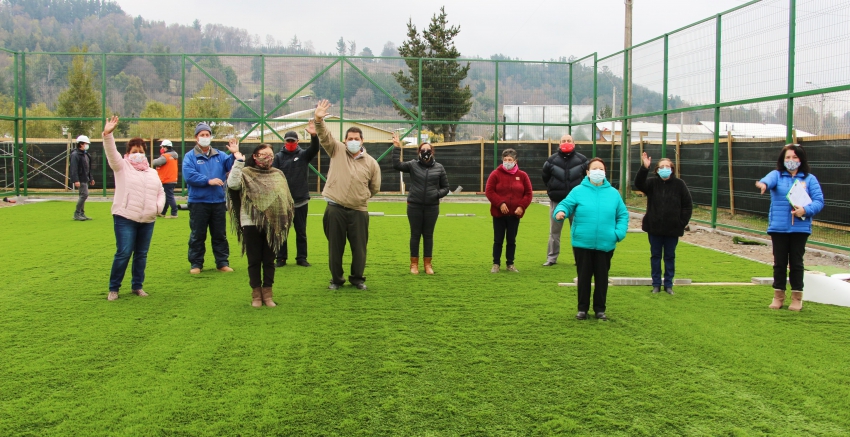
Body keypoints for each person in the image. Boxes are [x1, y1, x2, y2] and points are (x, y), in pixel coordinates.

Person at [313, 99, 382, 290]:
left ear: (362, 141)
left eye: (356, 138)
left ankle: (357, 279)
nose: (353, 141)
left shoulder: (371, 163)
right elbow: (324, 136)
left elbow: (375, 187)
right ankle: (336, 280)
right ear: (344, 140)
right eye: (350, 138)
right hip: (335, 209)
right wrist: (318, 120)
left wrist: (359, 197)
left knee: (359, 248)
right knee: (335, 247)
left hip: (359, 211)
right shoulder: (336, 150)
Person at [554, 157, 628, 321]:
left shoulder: (613, 194)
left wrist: (618, 234)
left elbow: (622, 215)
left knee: (602, 278)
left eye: (601, 169)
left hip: (606, 243)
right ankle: (582, 309)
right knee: (584, 277)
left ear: (605, 172)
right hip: (582, 242)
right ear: (588, 172)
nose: (598, 172)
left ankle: (600, 310)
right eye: (594, 169)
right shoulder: (578, 191)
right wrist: (560, 212)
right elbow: (565, 204)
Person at [102, 116, 165, 301]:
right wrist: (107, 134)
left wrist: (157, 207)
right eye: (134, 151)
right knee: (124, 252)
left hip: (148, 219)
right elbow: (111, 153)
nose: (138, 154)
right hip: (125, 217)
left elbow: (160, 192)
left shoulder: (152, 172)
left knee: (141, 255)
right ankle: (114, 288)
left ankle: (137, 286)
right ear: (128, 153)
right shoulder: (122, 167)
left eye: (141, 151)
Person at [756, 144, 824, 312]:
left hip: (800, 228)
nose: (791, 160)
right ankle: (778, 296)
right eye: (788, 157)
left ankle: (796, 297)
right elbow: (767, 180)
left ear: (801, 159)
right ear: (783, 159)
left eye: (794, 157)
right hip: (778, 228)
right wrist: (763, 185)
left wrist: (805, 210)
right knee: (779, 263)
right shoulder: (777, 175)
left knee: (796, 263)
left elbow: (819, 201)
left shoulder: (810, 179)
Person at [227, 142, 294, 308]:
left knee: (269, 260)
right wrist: (238, 161)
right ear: (255, 156)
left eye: (270, 155)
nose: (267, 157)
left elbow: (285, 197)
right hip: (251, 222)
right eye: (264, 154)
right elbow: (232, 184)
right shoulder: (245, 172)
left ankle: (268, 294)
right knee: (254, 260)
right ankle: (256, 295)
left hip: (272, 224)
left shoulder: (278, 174)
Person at [182, 122, 238, 274]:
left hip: (218, 201)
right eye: (202, 135)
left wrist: (234, 154)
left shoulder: (220, 155)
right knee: (197, 235)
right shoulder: (190, 157)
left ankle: (222, 263)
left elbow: (232, 167)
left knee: (220, 235)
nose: (205, 137)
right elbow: (189, 175)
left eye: (207, 134)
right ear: (196, 137)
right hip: (198, 202)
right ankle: (196, 264)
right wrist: (208, 181)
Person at [391, 132, 450, 274]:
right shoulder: (412, 165)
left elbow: (446, 187)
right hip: (414, 206)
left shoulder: (439, 167)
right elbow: (396, 165)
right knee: (415, 234)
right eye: (423, 150)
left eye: (428, 150)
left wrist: (436, 195)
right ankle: (414, 264)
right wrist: (397, 147)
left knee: (428, 235)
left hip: (432, 207)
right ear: (419, 152)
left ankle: (428, 264)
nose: (425, 152)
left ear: (432, 152)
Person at [634, 152, 693, 295]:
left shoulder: (679, 184)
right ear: (657, 170)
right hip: (654, 228)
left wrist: (681, 223)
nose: (665, 169)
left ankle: (668, 285)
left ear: (672, 169)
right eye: (662, 167)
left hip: (672, 229)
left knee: (669, 257)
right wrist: (644, 168)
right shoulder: (652, 183)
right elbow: (638, 184)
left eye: (668, 166)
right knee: (655, 256)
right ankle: (656, 284)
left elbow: (687, 205)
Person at [272, 121, 321, 268]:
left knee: (301, 231)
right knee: (281, 232)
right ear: (284, 142)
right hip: (282, 201)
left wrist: (314, 136)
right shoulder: (278, 157)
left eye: (293, 141)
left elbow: (315, 148)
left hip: (301, 201)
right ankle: (281, 258)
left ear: (297, 142)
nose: (290, 143)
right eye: (288, 141)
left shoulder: (303, 155)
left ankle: (301, 258)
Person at [541, 134, 587, 266]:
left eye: (569, 141)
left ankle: (579, 259)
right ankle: (551, 258)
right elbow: (545, 177)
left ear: (574, 143)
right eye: (563, 141)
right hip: (557, 201)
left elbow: (586, 178)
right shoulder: (551, 160)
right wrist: (553, 190)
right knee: (554, 232)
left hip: (576, 203)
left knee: (577, 231)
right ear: (559, 144)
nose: (566, 142)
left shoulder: (582, 160)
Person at [485, 148, 533, 273]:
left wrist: (521, 206)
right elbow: (489, 191)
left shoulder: (523, 176)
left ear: (515, 161)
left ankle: (510, 264)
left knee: (511, 240)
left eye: (510, 160)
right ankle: (496, 264)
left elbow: (528, 193)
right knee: (498, 240)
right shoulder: (495, 174)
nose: (507, 162)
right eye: (505, 159)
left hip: (515, 215)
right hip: (499, 214)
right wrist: (500, 203)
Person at [69, 134, 95, 221]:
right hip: (80, 178)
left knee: (83, 195)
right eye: (86, 143)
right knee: (84, 195)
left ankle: (81, 213)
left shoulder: (86, 154)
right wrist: (76, 180)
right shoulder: (75, 155)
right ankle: (77, 213)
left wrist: (91, 178)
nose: (87, 145)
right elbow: (73, 168)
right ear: (81, 144)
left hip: (85, 178)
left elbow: (88, 168)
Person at [152, 139, 179, 218]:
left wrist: (154, 160)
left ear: (166, 147)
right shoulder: (174, 156)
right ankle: (163, 212)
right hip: (172, 179)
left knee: (169, 196)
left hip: (166, 179)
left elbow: (155, 162)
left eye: (162, 147)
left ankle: (174, 213)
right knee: (167, 197)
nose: (162, 149)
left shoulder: (165, 156)